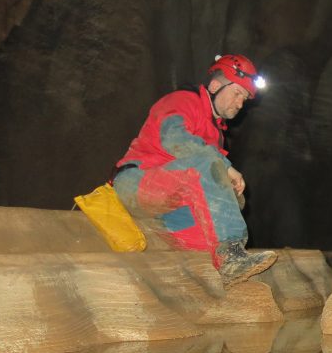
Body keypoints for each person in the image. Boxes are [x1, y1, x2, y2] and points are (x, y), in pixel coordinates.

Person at [112, 54, 277, 287]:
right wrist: (224, 166)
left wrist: (227, 189)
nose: (240, 104)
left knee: (216, 227)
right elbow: (175, 139)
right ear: (215, 86)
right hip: (137, 181)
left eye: (244, 98)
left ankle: (225, 271)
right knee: (210, 166)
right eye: (237, 93)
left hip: (167, 207)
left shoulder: (216, 133)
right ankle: (231, 257)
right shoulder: (183, 100)